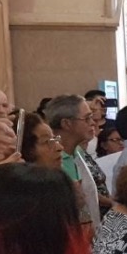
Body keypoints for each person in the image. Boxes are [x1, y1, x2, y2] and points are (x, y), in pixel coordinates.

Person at [46, 95, 102, 229]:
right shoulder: (52, 160)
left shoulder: (78, 151)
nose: (93, 123)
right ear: (66, 124)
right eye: (87, 118)